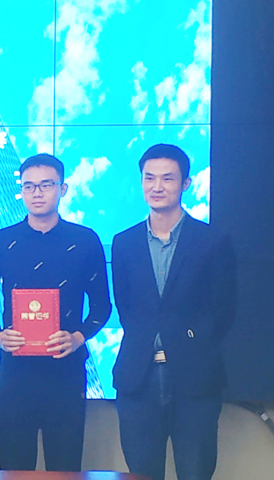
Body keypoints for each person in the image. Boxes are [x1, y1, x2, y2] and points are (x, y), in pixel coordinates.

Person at [0, 153, 111, 471]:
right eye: (28, 186)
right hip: (15, 372)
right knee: (13, 468)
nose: (36, 193)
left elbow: (102, 307)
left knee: (65, 468)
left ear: (63, 189)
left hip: (66, 372)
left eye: (46, 185)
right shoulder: (1, 241)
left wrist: (78, 337)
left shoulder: (85, 240)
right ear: (20, 190)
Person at [112, 144, 236, 480]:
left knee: (195, 472)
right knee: (141, 474)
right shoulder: (124, 243)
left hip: (195, 379)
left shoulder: (213, 241)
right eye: (149, 178)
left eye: (167, 178)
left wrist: (189, 343)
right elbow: (126, 309)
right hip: (138, 379)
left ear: (186, 183)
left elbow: (223, 310)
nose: (157, 186)